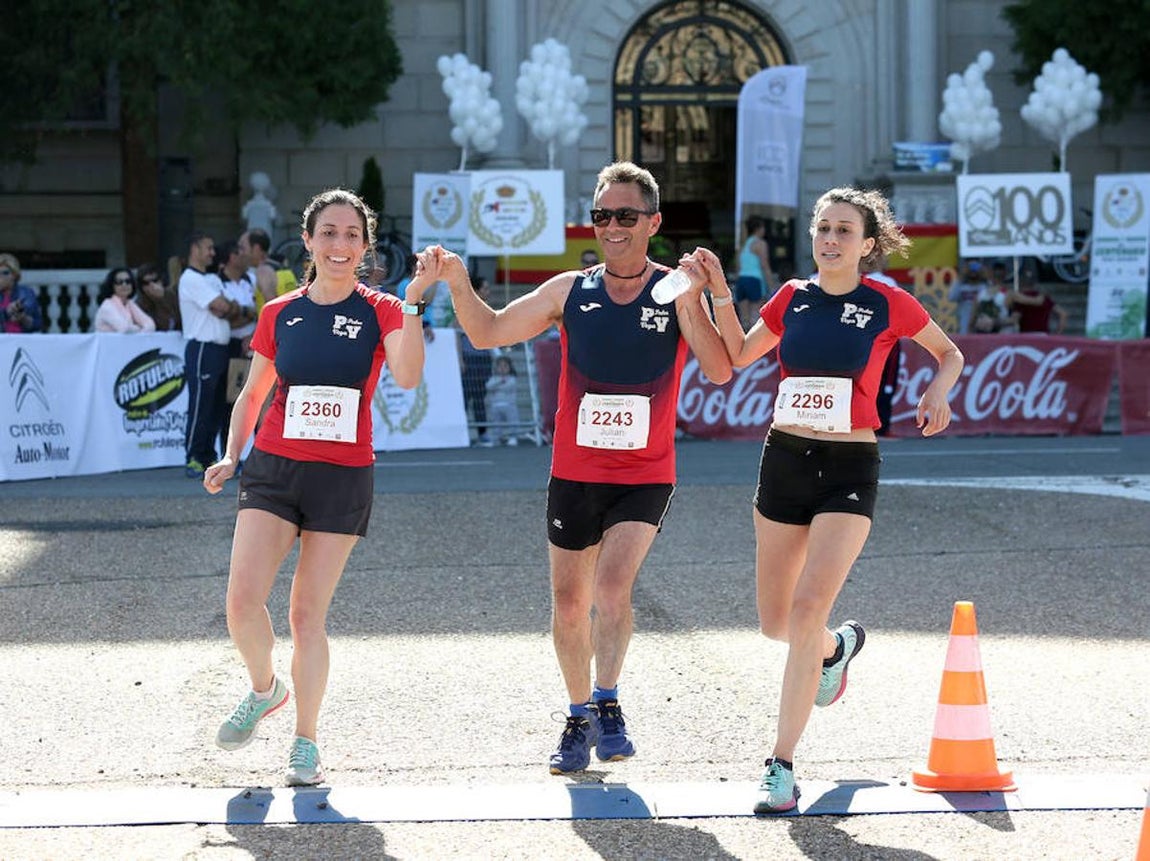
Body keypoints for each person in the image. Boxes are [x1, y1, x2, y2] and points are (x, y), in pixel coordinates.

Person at [433, 160, 732, 775]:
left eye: (626, 215)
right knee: (569, 603)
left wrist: (695, 299)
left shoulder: (672, 291)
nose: (613, 226)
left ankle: (609, 700)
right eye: (602, 215)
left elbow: (721, 369)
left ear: (653, 222)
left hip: (646, 471)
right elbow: (488, 332)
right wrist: (457, 280)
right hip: (575, 471)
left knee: (611, 587)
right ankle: (576, 717)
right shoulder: (570, 289)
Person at [705, 186, 963, 814]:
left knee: (808, 605)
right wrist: (715, 290)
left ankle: (781, 765)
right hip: (784, 459)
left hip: (850, 463)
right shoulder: (792, 298)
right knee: (779, 623)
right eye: (823, 228)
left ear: (867, 245)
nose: (830, 239)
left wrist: (938, 391)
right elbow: (737, 355)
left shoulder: (887, 302)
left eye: (845, 230)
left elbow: (948, 352)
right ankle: (835, 648)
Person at [203, 188, 433, 787]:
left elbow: (407, 376)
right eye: (328, 233)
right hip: (273, 470)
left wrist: (411, 304)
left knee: (307, 615)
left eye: (352, 234)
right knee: (241, 602)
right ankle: (264, 688)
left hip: (343, 477)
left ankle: (305, 741)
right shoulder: (280, 312)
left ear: (365, 244)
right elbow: (253, 395)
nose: (340, 245)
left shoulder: (381, 309)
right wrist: (232, 455)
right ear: (308, 241)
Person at [179, 231, 239, 478]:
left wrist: (230, 309)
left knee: (217, 406)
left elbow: (230, 310)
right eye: (208, 248)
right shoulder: (191, 278)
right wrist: (229, 308)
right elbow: (223, 307)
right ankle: (193, 456)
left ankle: (207, 455)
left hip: (220, 347)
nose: (213, 253)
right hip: (203, 346)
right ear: (195, 249)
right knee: (201, 403)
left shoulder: (211, 279)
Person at [459, 277, 495, 446]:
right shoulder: (464, 306)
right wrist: (460, 359)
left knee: (480, 397)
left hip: (484, 357)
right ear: (477, 290)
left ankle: (482, 433)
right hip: (469, 356)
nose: (488, 291)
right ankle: (462, 433)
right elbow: (457, 333)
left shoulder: (488, 308)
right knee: (465, 398)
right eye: (485, 288)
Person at [735, 215, 778, 328]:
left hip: (741, 281)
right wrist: (772, 286)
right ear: (759, 228)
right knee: (756, 318)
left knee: (744, 319)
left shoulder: (742, 246)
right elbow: (765, 265)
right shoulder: (760, 244)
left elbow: (738, 268)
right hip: (754, 280)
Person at [93, 267, 156, 333]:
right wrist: (140, 328)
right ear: (112, 286)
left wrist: (138, 329)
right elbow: (125, 329)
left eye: (128, 281)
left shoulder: (129, 303)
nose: (124, 285)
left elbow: (150, 325)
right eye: (119, 282)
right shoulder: (107, 306)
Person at [1010, 267, 1067, 334]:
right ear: (1034, 283)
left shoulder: (1020, 300)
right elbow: (1063, 314)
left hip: (1026, 336)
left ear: (1020, 283)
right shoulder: (1044, 298)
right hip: (1043, 336)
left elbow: (1015, 318)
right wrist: (1057, 334)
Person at [238, 228, 280, 310]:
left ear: (256, 249)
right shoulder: (281, 268)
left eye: (243, 248)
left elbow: (272, 306)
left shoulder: (263, 272)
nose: (240, 253)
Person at [0, 254, 43, 334]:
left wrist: (23, 318)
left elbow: (38, 324)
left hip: (21, 340)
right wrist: (6, 313)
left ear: (14, 275)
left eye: (5, 273)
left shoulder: (26, 292)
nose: (1, 276)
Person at [485, 353, 521, 445]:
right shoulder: (494, 378)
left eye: (505, 366)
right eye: (500, 366)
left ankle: (513, 437)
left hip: (509, 405)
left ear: (510, 367)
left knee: (512, 421)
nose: (502, 368)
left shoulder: (512, 379)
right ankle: (496, 438)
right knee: (496, 423)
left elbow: (509, 387)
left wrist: (496, 387)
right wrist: (500, 382)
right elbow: (488, 386)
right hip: (495, 405)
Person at [135, 264, 182, 331]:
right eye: (146, 283)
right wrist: (159, 300)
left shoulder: (173, 296)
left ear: (161, 280)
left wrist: (162, 298)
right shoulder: (140, 304)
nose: (152, 285)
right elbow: (163, 326)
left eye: (155, 280)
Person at [947, 259, 985, 334]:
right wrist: (961, 276)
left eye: (975, 268)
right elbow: (951, 297)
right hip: (964, 324)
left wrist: (984, 273)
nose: (973, 271)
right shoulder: (961, 286)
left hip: (981, 323)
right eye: (970, 268)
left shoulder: (984, 287)